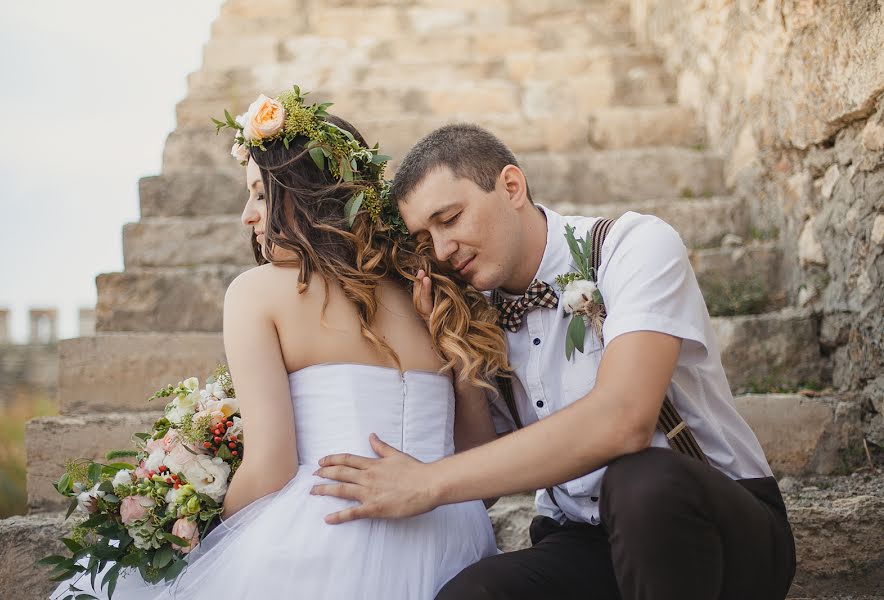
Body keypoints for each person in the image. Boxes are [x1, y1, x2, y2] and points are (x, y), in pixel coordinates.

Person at [312, 123, 797, 600]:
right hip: (584, 541)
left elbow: (625, 420)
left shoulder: (632, 247)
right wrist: (459, 363)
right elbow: (482, 485)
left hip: (713, 530)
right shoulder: (479, 311)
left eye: (450, 218)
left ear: (511, 186)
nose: (441, 250)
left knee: (641, 482)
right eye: (426, 236)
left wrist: (428, 483)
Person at [50, 93, 504, 599]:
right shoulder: (435, 290)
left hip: (327, 533)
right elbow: (479, 472)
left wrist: (203, 529)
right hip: (452, 542)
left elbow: (271, 467)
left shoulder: (257, 292)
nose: (247, 215)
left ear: (306, 196)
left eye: (261, 195)